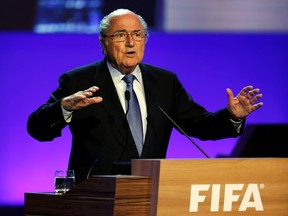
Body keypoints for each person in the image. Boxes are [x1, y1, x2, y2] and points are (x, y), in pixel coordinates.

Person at [27, 8, 263, 185]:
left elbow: (200, 125)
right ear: (104, 43)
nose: (130, 42)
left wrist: (232, 116)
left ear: (145, 40)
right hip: (94, 196)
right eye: (120, 35)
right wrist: (64, 108)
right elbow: (37, 129)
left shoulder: (164, 81)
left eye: (137, 35)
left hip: (150, 193)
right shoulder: (78, 81)